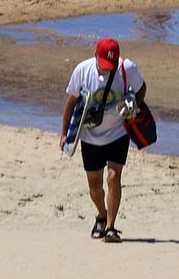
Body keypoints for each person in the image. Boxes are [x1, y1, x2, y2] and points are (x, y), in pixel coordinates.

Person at [59, 37, 146, 244]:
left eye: (111, 66)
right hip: (89, 136)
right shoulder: (82, 70)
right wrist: (64, 134)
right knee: (95, 186)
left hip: (118, 133)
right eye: (104, 65)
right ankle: (101, 214)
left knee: (114, 178)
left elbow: (142, 89)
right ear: (95, 56)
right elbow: (70, 104)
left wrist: (134, 102)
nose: (107, 70)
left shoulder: (127, 68)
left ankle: (110, 228)